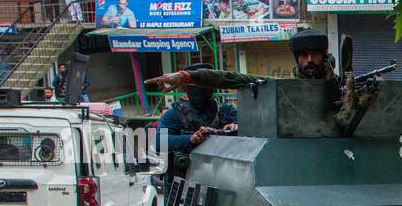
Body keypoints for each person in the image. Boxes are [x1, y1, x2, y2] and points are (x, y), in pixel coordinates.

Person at [146, 28, 382, 137]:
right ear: (296, 58)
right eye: (303, 55)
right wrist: (188, 77)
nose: (310, 60)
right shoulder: (283, 90)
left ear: (323, 55)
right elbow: (234, 78)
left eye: (316, 54)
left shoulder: (342, 87)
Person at [154, 62, 240, 158]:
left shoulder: (227, 110)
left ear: (213, 88)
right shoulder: (175, 113)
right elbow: (159, 142)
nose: (198, 94)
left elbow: (251, 131)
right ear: (186, 89)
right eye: (193, 88)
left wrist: (235, 127)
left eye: (203, 88)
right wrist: (190, 139)